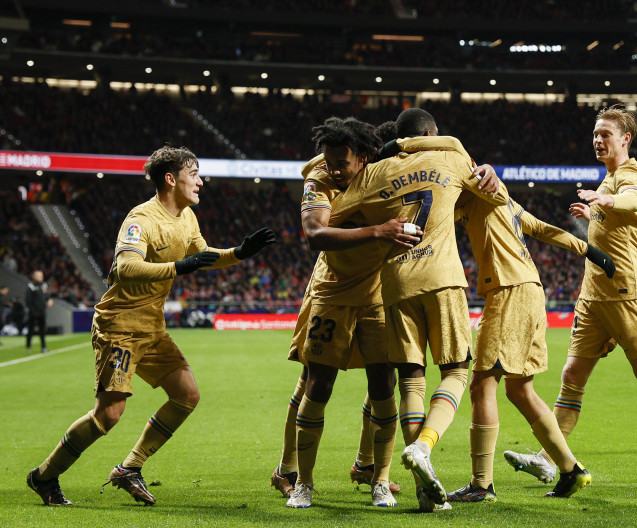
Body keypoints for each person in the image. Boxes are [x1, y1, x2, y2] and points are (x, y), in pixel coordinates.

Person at [26, 145, 276, 506]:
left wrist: (239, 253)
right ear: (171, 179)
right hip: (120, 326)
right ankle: (44, 476)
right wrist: (179, 267)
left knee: (186, 395)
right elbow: (126, 267)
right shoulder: (141, 219)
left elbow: (201, 257)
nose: (201, 182)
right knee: (109, 414)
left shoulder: (187, 217)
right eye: (195, 175)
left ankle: (130, 467)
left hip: (152, 327)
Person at [392, 138, 617, 501]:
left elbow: (455, 152)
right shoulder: (497, 201)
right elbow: (542, 229)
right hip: (530, 289)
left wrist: (401, 145)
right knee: (519, 389)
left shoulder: (485, 189)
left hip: (509, 290)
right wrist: (590, 251)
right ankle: (572, 470)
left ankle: (482, 485)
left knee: (481, 384)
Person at [504, 104, 637, 487]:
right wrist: (595, 210)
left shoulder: (632, 175)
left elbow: (632, 198)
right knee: (572, 375)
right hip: (593, 296)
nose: (598, 140)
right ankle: (551, 460)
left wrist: (607, 202)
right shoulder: (606, 180)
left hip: (627, 294)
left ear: (626, 139)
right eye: (595, 134)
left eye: (606, 134)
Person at [326, 108, 508, 512]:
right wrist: (488, 171)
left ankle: (423, 488)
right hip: (442, 277)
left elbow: (333, 216)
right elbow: (497, 196)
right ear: (432, 132)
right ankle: (424, 448)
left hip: (395, 284)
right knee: (457, 370)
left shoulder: (374, 172)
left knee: (410, 380)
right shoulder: (452, 156)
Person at [272, 117, 416, 509]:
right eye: (329, 161)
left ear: (364, 158)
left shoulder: (385, 175)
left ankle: (379, 479)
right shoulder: (317, 180)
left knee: (384, 387)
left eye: (342, 163)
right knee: (317, 385)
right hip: (331, 293)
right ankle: (302, 482)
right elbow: (315, 235)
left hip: (376, 294)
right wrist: (378, 231)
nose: (334, 169)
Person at [25, 270, 53, 353]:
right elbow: (28, 300)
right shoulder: (31, 286)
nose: (41, 277)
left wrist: (49, 300)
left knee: (42, 330)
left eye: (41, 276)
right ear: (34, 276)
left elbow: (47, 295)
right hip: (33, 312)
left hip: (42, 311)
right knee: (31, 330)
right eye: (39, 276)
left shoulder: (44, 285)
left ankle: (43, 347)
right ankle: (28, 347)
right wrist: (32, 310)